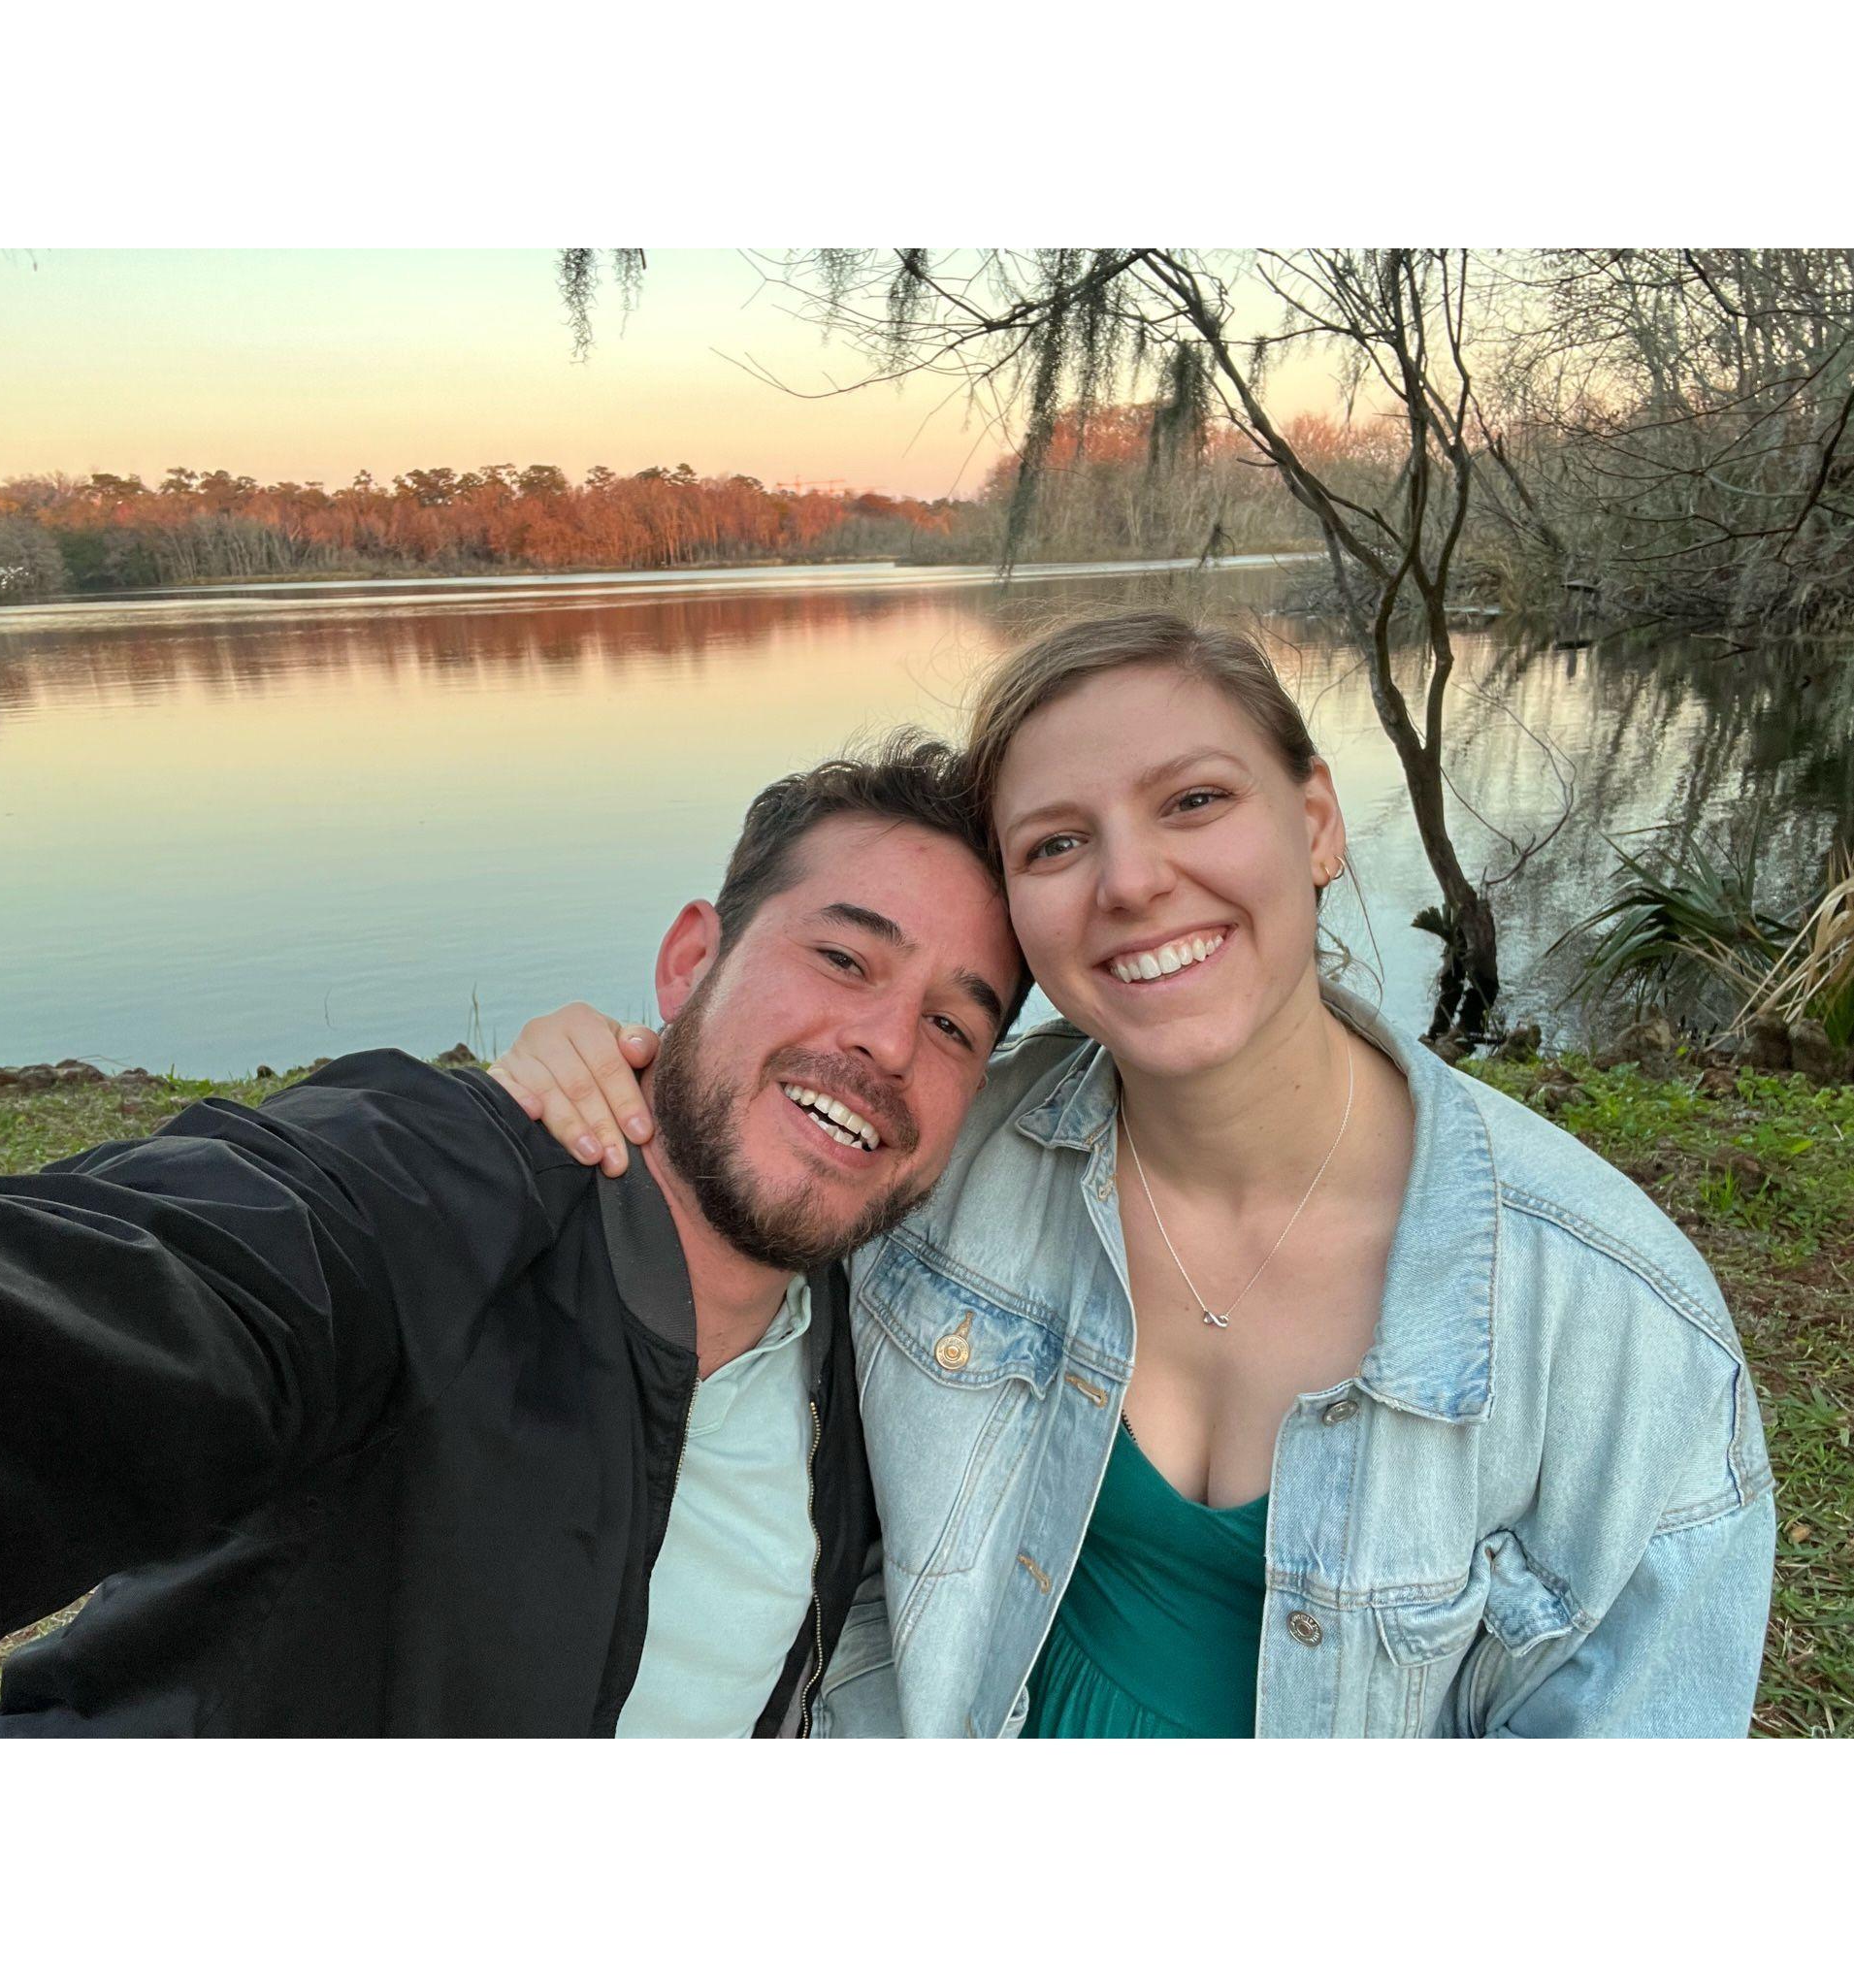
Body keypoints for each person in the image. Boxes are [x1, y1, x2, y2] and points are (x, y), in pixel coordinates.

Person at [497, 611, 1776, 1738]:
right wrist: (594, 1074)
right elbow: (738, 1171)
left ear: (1317, 823)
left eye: (1195, 801)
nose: (1132, 881)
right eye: (1055, 845)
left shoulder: (1617, 1328)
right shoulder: (947, 1151)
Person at [0, 735, 1025, 1736]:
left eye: (953, 1024)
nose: (885, 1043)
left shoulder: (890, 1358)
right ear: (690, 962)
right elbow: (113, 1302)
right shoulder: (425, 1196)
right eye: (842, 957)